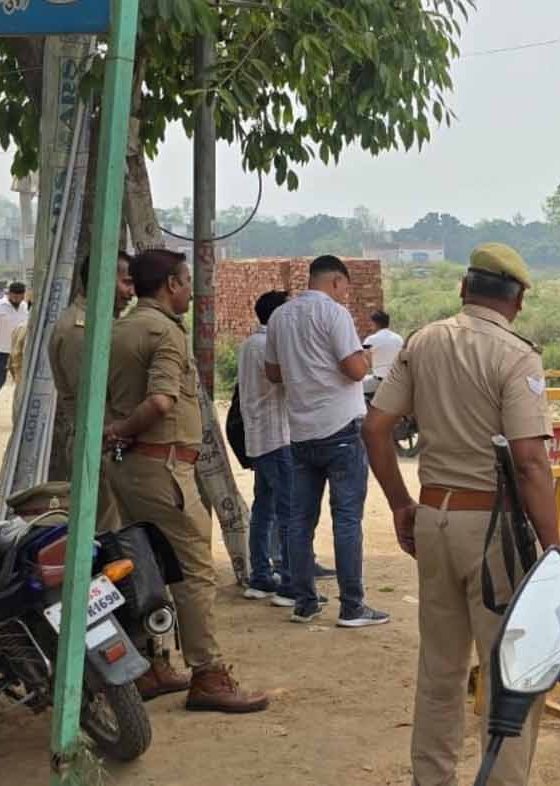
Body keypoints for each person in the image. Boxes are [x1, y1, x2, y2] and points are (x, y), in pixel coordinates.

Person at [362, 242, 560, 786]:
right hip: (496, 531)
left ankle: (431, 778)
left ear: (462, 289)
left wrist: (400, 503)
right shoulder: (516, 355)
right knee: (511, 675)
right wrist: (555, 550)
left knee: (439, 669)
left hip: (434, 517)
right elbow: (530, 463)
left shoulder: (422, 341)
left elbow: (375, 428)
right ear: (518, 300)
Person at [103, 248, 269, 713]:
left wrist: (117, 433)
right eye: (187, 281)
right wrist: (123, 429)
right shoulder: (165, 332)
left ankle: (149, 663)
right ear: (170, 285)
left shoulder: (118, 330)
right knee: (194, 571)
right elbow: (160, 401)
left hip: (130, 468)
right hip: (164, 468)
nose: (192, 292)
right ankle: (208, 674)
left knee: (140, 566)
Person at [264, 255, 389, 627]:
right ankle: (352, 606)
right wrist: (366, 359)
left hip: (301, 431)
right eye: (345, 287)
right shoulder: (334, 314)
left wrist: (304, 368)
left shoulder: (280, 317)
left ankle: (304, 601)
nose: (345, 294)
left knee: (299, 521)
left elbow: (273, 373)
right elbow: (354, 370)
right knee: (346, 519)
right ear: (336, 281)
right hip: (341, 427)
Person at [50, 252, 135, 483]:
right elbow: (91, 397)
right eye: (127, 282)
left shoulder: (102, 322)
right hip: (99, 444)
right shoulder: (80, 330)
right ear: (103, 279)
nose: (132, 292)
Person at [238, 291, 296, 600]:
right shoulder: (267, 347)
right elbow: (289, 381)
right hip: (276, 437)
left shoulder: (250, 344)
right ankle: (290, 581)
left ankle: (260, 576)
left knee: (264, 508)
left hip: (259, 438)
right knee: (288, 511)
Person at [0, 281, 29, 419]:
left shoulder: (26, 307)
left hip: (19, 351)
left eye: (21, 296)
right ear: (9, 294)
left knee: (21, 383)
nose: (18, 299)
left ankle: (20, 412)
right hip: (1, 351)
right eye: (15, 296)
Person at [363, 310, 404, 380]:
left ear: (375, 324)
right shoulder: (399, 338)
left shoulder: (370, 340)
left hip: (379, 379)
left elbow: (365, 360)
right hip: (397, 379)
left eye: (371, 323)